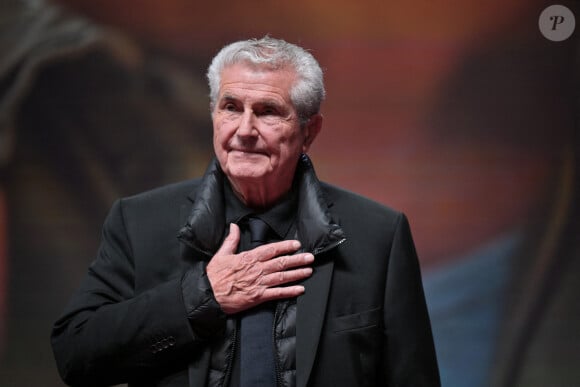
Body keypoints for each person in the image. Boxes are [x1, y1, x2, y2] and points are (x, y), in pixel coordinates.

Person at [51, 36, 440, 387]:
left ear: (309, 131)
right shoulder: (138, 222)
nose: (245, 130)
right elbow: (76, 354)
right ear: (213, 115)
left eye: (268, 111)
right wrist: (201, 298)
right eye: (231, 107)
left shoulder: (377, 234)